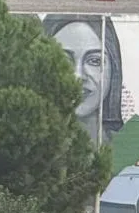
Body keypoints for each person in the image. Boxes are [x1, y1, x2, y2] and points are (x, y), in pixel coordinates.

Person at [42, 14, 125, 145]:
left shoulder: (125, 147)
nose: (78, 75)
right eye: (63, 60)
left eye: (94, 61)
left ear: (114, 67)